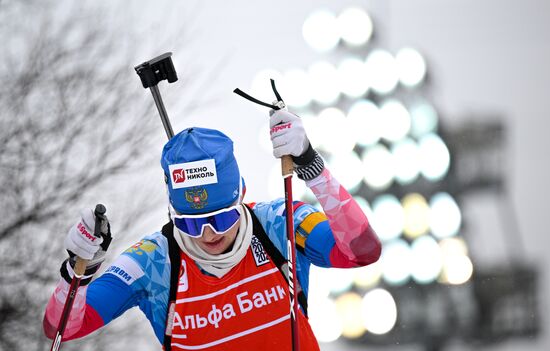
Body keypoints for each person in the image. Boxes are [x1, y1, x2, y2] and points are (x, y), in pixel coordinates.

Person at [43, 110, 382, 351]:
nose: (207, 233)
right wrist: (78, 271)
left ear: (241, 197)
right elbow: (62, 328)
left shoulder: (279, 223)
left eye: (221, 218)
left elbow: (361, 252)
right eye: (190, 223)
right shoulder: (154, 260)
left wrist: (310, 164)